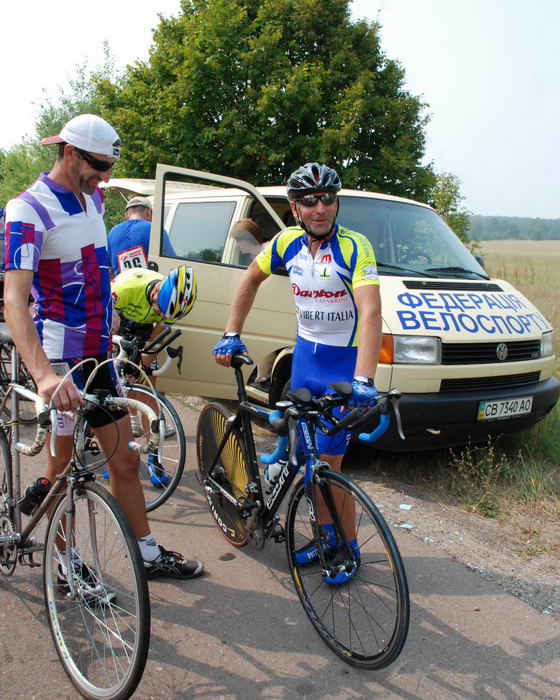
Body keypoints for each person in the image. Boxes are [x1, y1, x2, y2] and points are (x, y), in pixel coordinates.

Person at [3, 113, 203, 580]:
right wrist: (44, 376)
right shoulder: (28, 209)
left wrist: (131, 300)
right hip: (59, 360)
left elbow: (96, 269)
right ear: (69, 152)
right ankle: (64, 563)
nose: (106, 178)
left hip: (97, 354)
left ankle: (147, 554)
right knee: (62, 472)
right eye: (99, 165)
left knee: (125, 460)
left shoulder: (92, 197)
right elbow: (14, 301)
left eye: (110, 167)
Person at [213, 162, 381, 584]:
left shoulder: (354, 246)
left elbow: (371, 311)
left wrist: (364, 378)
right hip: (305, 361)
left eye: (327, 199)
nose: (319, 208)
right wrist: (231, 332)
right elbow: (250, 279)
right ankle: (325, 536)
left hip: (342, 367)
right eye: (309, 201)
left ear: (336, 203)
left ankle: (348, 547)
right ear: (295, 208)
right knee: (305, 457)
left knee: (329, 465)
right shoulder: (286, 243)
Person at [107, 196, 176, 277]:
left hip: (121, 283)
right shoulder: (155, 229)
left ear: (126, 214)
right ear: (149, 212)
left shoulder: (113, 232)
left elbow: (109, 269)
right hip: (149, 283)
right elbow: (172, 262)